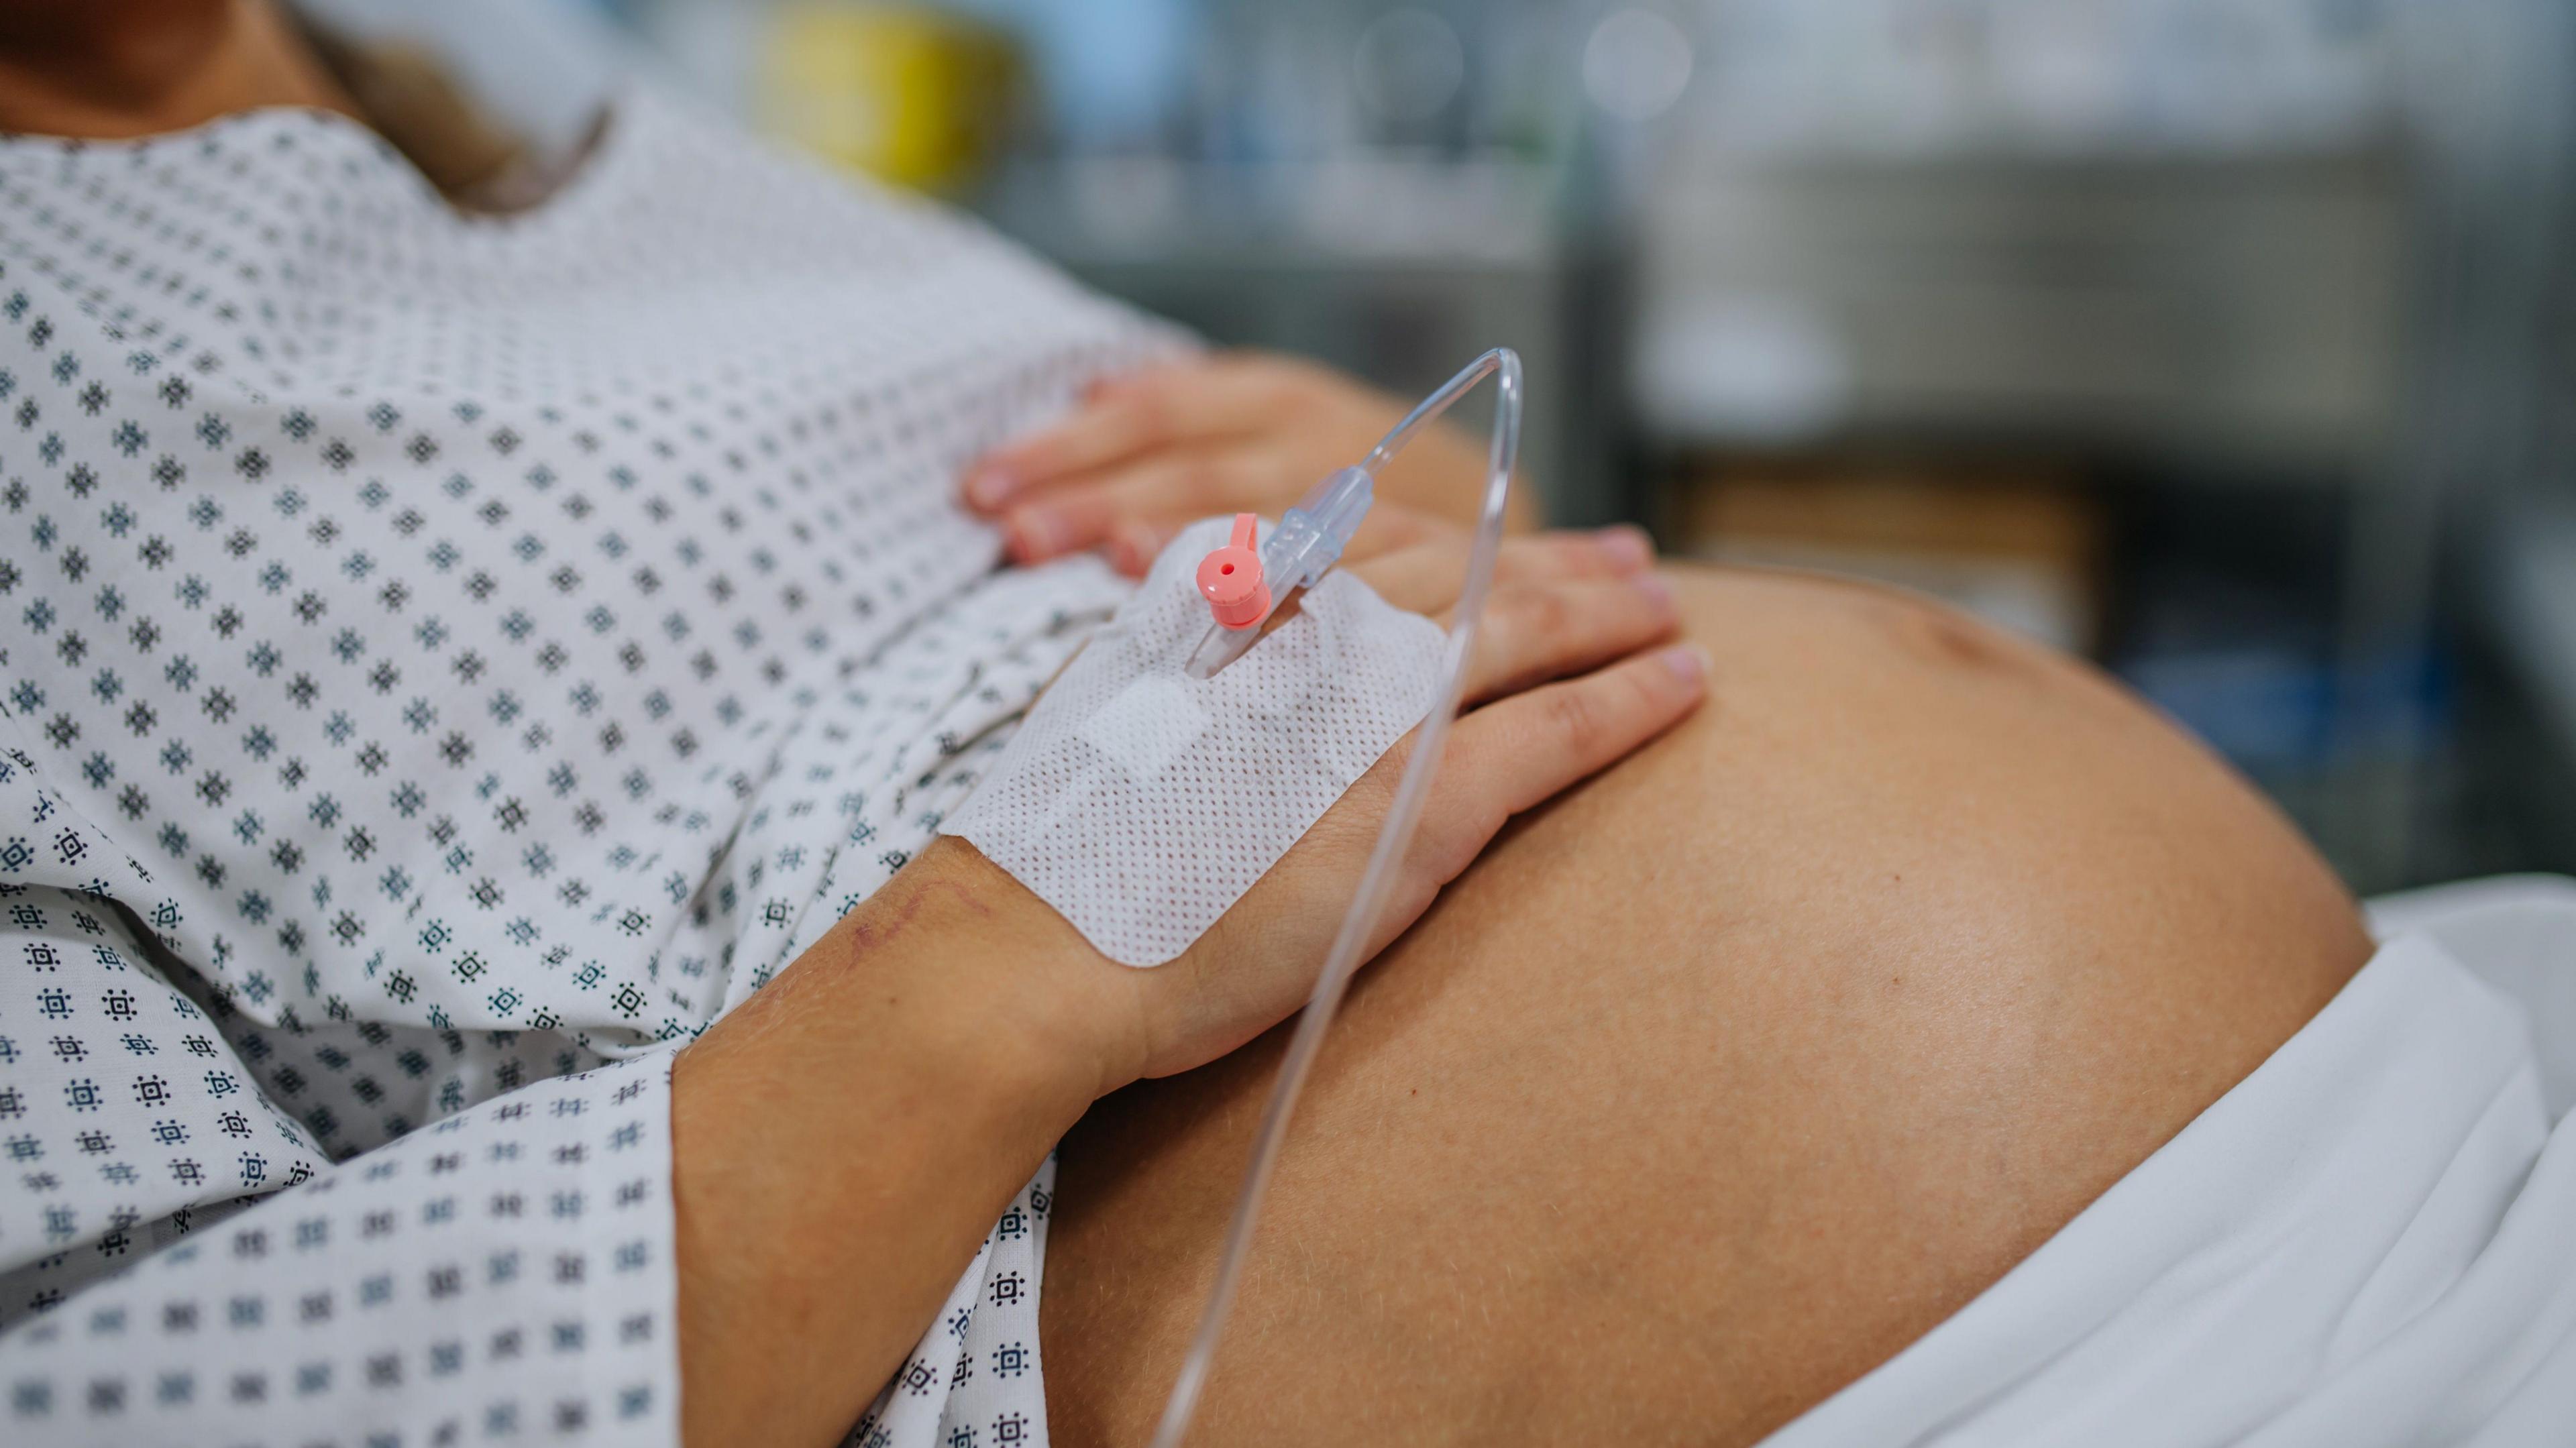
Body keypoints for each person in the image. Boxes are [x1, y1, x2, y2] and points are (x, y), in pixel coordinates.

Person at [4, 6, 2567, 1448]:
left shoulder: (537, 116)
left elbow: (1151, 551)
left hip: (2396, 1123)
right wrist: (1001, 957)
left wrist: (1448, 503)